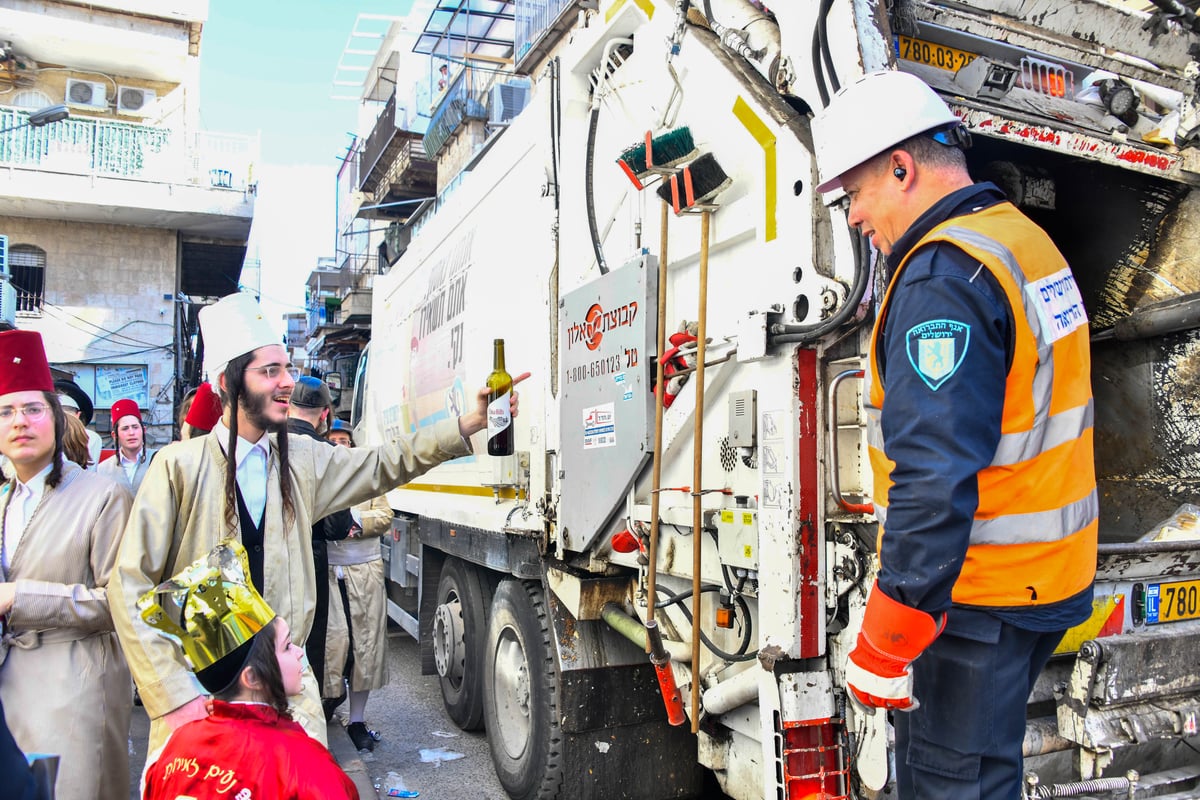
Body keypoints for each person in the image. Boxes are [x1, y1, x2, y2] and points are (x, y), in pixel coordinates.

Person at [813, 70, 1097, 800]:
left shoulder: (944, 275)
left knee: (949, 784)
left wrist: (887, 637)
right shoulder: (1023, 243)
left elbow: (933, 477)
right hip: (1043, 583)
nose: (852, 217)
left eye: (854, 194)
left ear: (902, 167)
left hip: (975, 600)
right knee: (986, 772)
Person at [108, 291, 528, 755]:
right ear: (227, 382)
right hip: (202, 709)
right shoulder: (177, 468)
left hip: (290, 705)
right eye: (270, 371)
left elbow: (384, 463)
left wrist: (466, 423)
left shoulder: (302, 460)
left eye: (286, 368)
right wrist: (173, 695)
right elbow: (128, 586)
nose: (287, 382)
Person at [0, 330, 135, 800]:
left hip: (75, 690)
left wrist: (22, 598)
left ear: (56, 420)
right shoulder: (4, 500)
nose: (20, 422)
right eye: (6, 411)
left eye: (33, 409)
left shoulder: (102, 496)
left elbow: (122, 603)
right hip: (8, 691)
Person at [141, 540, 357, 800]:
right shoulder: (304, 766)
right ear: (252, 677)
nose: (300, 652)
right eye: (287, 647)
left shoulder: (169, 751)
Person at [285, 376, 352, 716]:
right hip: (311, 559)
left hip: (269, 559)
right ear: (325, 414)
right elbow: (338, 525)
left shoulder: (267, 442)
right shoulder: (325, 453)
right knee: (307, 649)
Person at [323, 419, 391, 752]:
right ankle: (327, 701)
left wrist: (355, 523)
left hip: (364, 572)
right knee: (334, 644)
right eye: (333, 439)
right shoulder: (317, 476)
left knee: (364, 648)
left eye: (344, 440)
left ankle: (358, 720)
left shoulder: (367, 477)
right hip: (328, 572)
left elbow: (384, 515)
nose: (339, 445)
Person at [96, 398, 153, 494]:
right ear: (114, 435)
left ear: (143, 430)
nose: (131, 433)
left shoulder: (158, 459)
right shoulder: (103, 469)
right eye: (125, 429)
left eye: (135, 427)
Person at [53, 378, 102, 466]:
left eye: (67, 410)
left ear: (78, 415)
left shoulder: (91, 438)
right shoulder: (44, 436)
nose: (63, 416)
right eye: (59, 411)